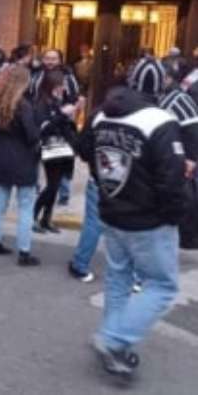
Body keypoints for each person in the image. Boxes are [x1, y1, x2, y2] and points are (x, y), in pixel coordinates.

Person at [89, 64, 188, 382]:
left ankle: (113, 340)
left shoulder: (102, 114)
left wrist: (105, 191)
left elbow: (88, 153)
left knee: (119, 278)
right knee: (161, 285)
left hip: (113, 211)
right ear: (160, 88)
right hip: (149, 219)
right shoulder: (160, 121)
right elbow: (172, 178)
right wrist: (175, 215)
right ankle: (113, 339)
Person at [0, 65, 41, 266]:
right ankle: (24, 251)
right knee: (26, 206)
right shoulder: (23, 105)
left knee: (0, 202)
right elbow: (32, 135)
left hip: (0, 156)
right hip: (23, 158)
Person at [33, 70, 78, 234]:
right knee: (52, 186)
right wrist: (62, 114)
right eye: (62, 84)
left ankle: (46, 219)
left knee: (56, 185)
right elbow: (44, 128)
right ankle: (34, 216)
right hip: (50, 147)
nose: (65, 87)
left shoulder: (57, 100)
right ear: (54, 85)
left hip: (60, 147)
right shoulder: (42, 103)